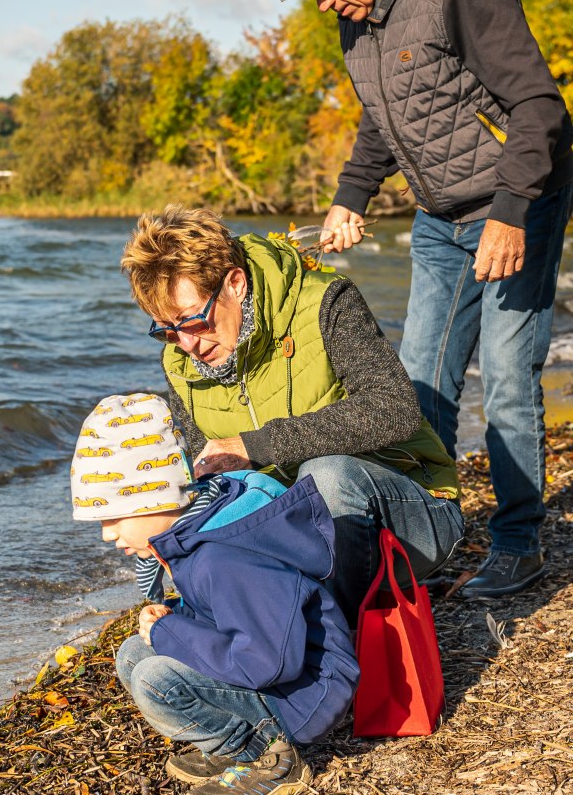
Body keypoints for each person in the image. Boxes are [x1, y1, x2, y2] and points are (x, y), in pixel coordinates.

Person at [279, 0, 573, 600]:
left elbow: (541, 106)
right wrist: (352, 193)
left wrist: (509, 212)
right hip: (439, 218)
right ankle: (423, 537)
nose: (321, 3)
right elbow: (386, 116)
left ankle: (517, 543)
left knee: (505, 374)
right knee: (419, 384)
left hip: (519, 203)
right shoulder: (357, 22)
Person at [119, 205, 464, 626]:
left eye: (193, 320)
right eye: (167, 329)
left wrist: (255, 446)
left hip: (412, 514)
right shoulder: (179, 363)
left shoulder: (325, 302)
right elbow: (211, 488)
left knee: (326, 478)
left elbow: (393, 410)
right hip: (294, 533)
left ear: (235, 284)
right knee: (147, 653)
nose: (186, 343)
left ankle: (337, 646)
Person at [70, 391, 359, 795]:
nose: (107, 535)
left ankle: (266, 755)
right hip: (273, 675)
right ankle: (238, 738)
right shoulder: (198, 532)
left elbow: (269, 661)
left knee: (155, 679)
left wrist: (173, 633)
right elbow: (222, 616)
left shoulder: (223, 556)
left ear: (154, 499)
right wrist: (176, 616)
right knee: (134, 653)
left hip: (303, 693)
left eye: (112, 517)